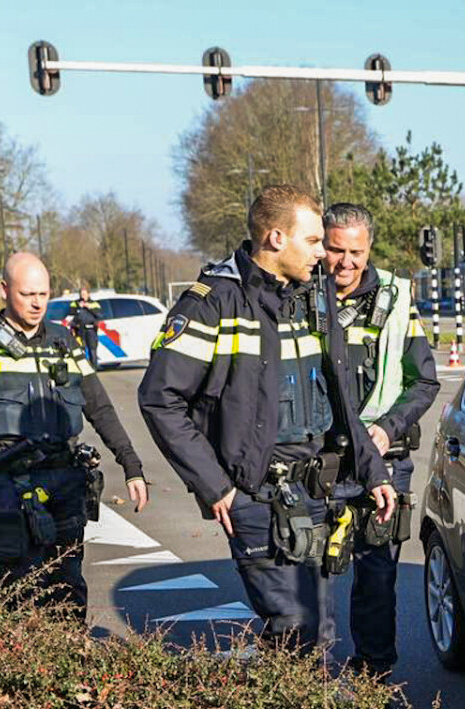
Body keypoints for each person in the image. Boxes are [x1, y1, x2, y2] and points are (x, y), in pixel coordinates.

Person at [137, 185, 397, 655]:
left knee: (314, 631)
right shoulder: (213, 302)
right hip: (256, 496)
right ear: (276, 238)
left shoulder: (315, 298)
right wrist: (215, 486)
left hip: (317, 494)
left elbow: (340, 399)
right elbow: (160, 398)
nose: (326, 255)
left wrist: (373, 470)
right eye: (314, 241)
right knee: (300, 625)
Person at [0, 251, 150, 618]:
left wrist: (132, 465)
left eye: (43, 294)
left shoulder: (63, 341)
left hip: (66, 481)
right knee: (22, 585)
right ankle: (26, 663)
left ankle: (70, 663)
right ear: (3, 290)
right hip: (10, 484)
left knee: (68, 583)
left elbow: (100, 407)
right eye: (27, 294)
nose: (36, 303)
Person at [321, 202, 438, 677]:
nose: (346, 262)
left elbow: (424, 382)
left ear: (369, 249)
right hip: (321, 459)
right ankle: (310, 682)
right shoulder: (301, 295)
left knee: (377, 575)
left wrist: (387, 428)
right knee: (312, 578)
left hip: (384, 457)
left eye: (356, 252)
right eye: (335, 250)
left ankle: (374, 676)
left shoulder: (395, 298)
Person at [69, 287, 103, 370]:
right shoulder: (75, 303)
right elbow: (70, 312)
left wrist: (89, 307)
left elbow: (99, 315)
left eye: (84, 294)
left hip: (91, 330)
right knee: (81, 350)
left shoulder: (94, 304)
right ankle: (82, 369)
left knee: (92, 350)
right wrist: (78, 307)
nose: (83, 295)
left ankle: (94, 368)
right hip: (79, 330)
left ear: (88, 294)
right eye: (81, 294)